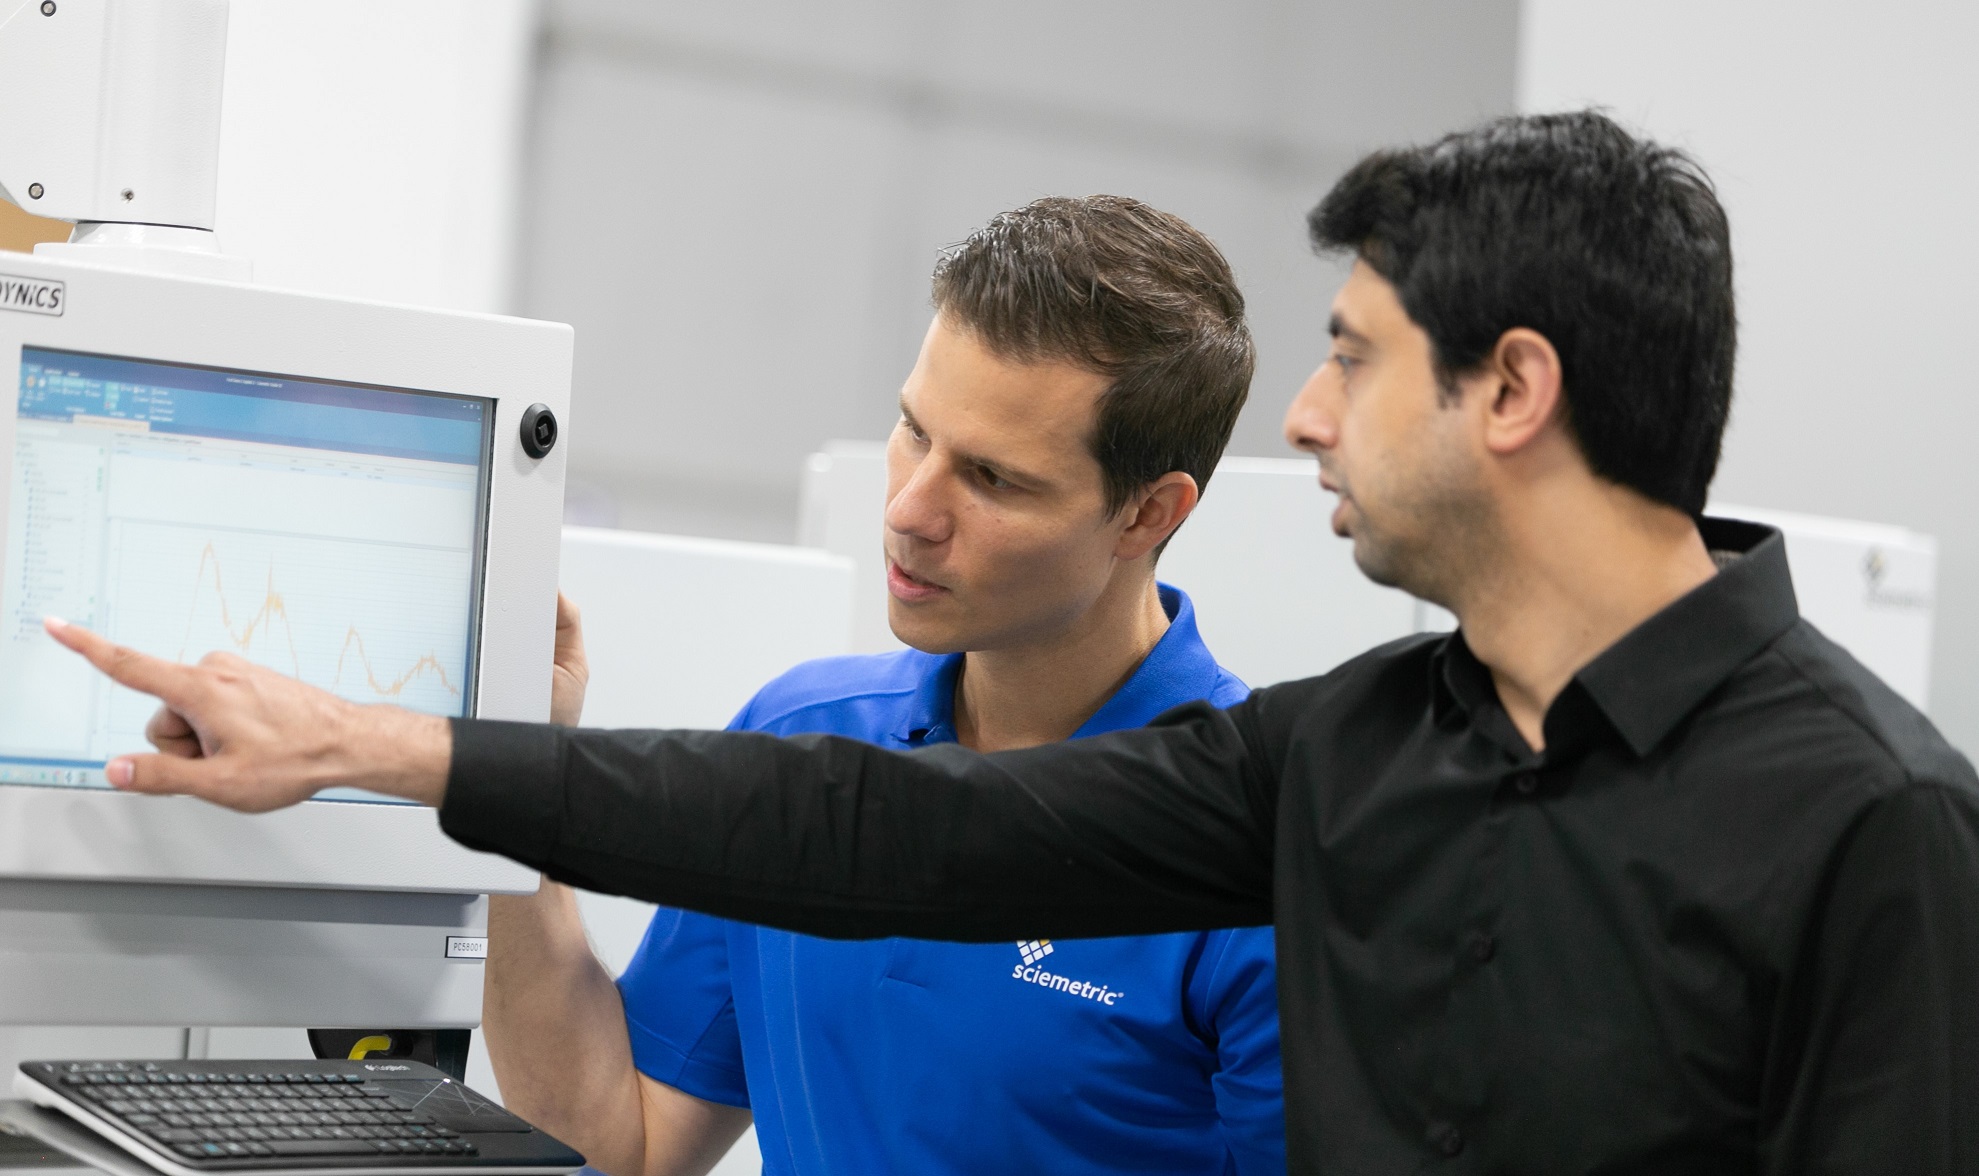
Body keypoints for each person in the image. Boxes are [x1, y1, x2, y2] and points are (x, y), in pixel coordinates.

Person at [48, 111, 1979, 1174]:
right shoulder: (1368, 746)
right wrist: (396, 749)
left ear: (1513, 391)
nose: (1310, 416)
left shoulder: (1874, 826)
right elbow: (900, 840)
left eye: (1356, 358)